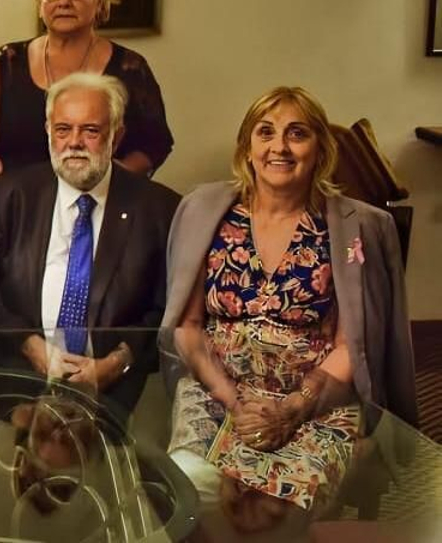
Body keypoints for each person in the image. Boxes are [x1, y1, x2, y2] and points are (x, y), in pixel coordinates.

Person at [164, 87, 417, 512]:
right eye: (265, 133)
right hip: (217, 397)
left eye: (296, 134)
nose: (279, 147)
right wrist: (234, 399)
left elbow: (350, 346)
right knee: (191, 489)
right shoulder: (204, 211)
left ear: (320, 149)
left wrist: (291, 409)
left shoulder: (359, 226)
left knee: (279, 510)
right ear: (247, 148)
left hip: (315, 403)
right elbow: (187, 328)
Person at [0, 74, 179, 404]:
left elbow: (165, 309)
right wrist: (30, 345)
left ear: (116, 135)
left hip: (117, 390)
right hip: (19, 379)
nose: (74, 142)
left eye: (91, 130)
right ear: (48, 132)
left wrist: (116, 363)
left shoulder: (159, 208)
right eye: (63, 129)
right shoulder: (9, 195)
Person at [0, 0, 173, 188]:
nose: (64, 2)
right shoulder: (7, 61)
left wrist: (111, 180)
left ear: (101, 1)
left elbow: (156, 143)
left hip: (97, 202)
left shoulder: (130, 67)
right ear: (39, 4)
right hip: (15, 204)